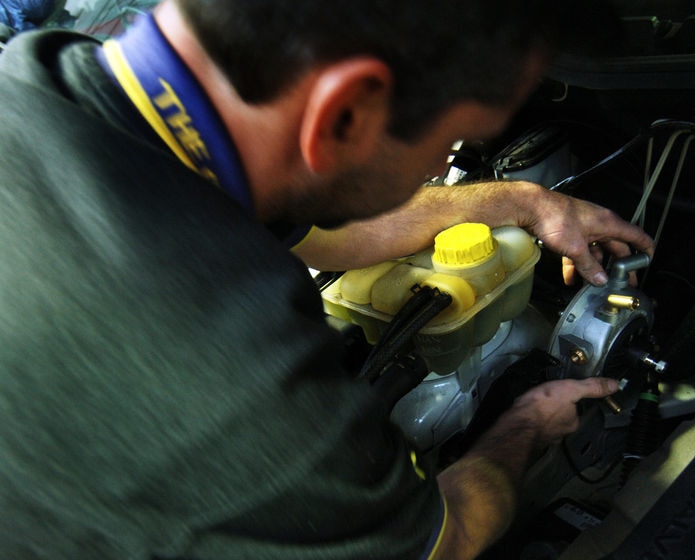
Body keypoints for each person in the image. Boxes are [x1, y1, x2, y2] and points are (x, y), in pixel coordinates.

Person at [0, 1, 653, 558]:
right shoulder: (243, 392)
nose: (443, 165)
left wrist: (525, 201)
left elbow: (325, 230)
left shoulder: (43, 80)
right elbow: (442, 540)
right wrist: (529, 424)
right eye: (454, 144)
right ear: (345, 114)